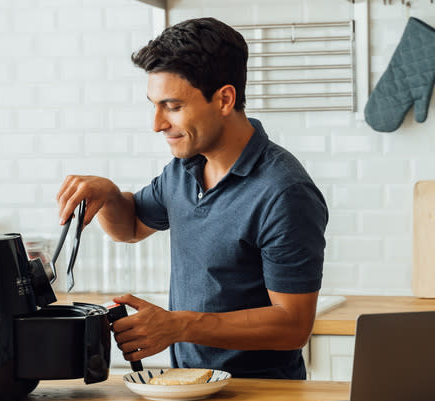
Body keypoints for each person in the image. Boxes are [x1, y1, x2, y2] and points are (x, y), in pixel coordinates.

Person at [56, 17, 328, 379]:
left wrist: (179, 326)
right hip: (190, 388)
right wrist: (108, 195)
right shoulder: (183, 169)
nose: (157, 124)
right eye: (154, 105)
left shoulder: (284, 192)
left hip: (260, 397)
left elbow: (293, 326)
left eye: (172, 106)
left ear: (224, 99)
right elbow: (131, 227)